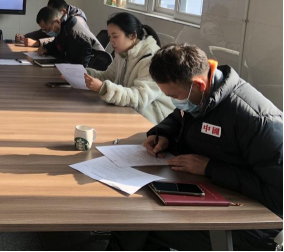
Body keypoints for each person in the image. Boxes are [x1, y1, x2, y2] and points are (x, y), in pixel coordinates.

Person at [108, 44, 283, 251]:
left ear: (199, 84)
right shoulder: (202, 97)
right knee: (134, 213)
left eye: (175, 97)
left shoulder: (258, 120)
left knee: (140, 223)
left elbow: (278, 196)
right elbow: (180, 117)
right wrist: (163, 134)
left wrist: (210, 168)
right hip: (209, 190)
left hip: (254, 222)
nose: (174, 102)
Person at [84, 13, 173, 124]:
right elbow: (109, 77)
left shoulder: (152, 60)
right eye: (109, 37)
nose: (111, 41)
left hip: (151, 121)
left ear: (133, 36)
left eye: (115, 36)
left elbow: (140, 98)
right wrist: (81, 73)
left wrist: (104, 88)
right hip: (128, 112)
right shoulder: (122, 53)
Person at [36, 6, 104, 67]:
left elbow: (80, 67)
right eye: (44, 31)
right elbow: (58, 45)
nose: (47, 33)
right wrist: (46, 48)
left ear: (57, 22)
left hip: (96, 68)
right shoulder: (64, 27)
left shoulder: (74, 35)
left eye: (47, 29)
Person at [15, 0, 88, 47]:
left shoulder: (75, 22)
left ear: (62, 12)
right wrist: (25, 36)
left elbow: (58, 38)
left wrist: (37, 43)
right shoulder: (62, 21)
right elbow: (43, 31)